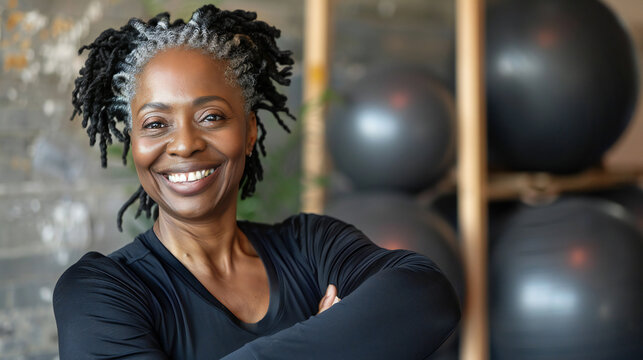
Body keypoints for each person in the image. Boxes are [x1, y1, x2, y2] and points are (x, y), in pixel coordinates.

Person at [53, 4, 460, 359]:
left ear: (250, 132)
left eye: (210, 116)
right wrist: (334, 341)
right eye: (156, 124)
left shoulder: (311, 246)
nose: (184, 144)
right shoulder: (100, 293)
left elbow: (425, 297)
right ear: (134, 145)